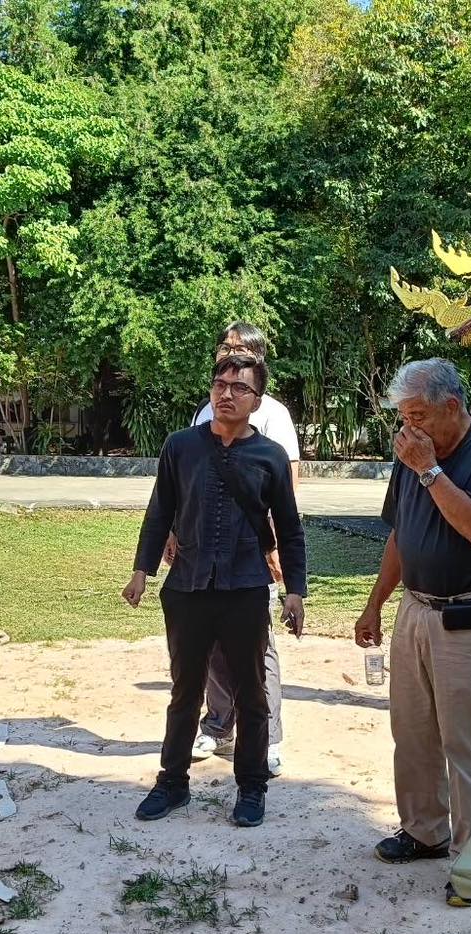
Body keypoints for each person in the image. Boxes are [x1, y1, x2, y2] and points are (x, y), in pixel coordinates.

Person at [353, 358, 471, 907]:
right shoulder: (411, 454)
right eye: (404, 418)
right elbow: (401, 536)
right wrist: (375, 603)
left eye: (419, 416)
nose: (410, 430)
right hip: (415, 609)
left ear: (453, 407)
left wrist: (430, 470)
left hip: (469, 617)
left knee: (464, 743)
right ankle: (424, 830)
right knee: (413, 732)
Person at [123, 344, 307, 828]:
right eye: (220, 385)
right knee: (185, 690)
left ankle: (251, 788)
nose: (227, 395)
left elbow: (289, 527)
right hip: (186, 588)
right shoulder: (180, 446)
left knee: (252, 693)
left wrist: (295, 591)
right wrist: (143, 570)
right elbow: (160, 509)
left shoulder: (269, 456)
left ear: (257, 400)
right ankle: (172, 783)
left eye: (240, 388)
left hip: (245, 589)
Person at [185, 322, 300, 777]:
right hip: (205, 552)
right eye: (223, 348)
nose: (227, 356)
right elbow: (186, 482)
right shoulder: (204, 412)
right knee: (210, 642)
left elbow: (286, 483)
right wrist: (178, 532)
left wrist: (273, 548)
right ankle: (218, 725)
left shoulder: (273, 414)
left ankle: (267, 736)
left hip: (252, 551)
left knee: (257, 645)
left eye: (236, 349)